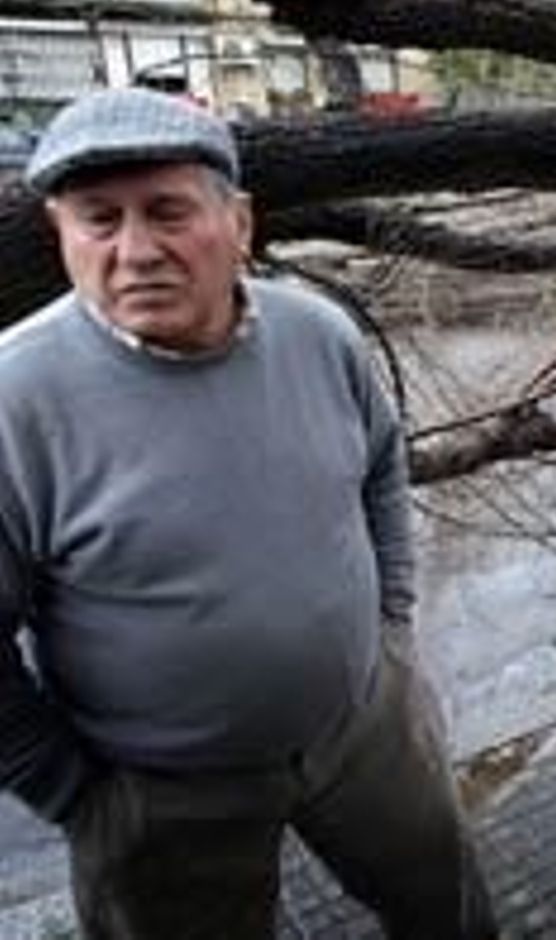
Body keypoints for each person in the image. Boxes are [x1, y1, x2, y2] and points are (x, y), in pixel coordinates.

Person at [0, 87, 498, 939]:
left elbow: (382, 468)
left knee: (447, 908)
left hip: (367, 730)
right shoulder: (15, 397)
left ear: (240, 222)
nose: (136, 250)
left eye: (167, 211)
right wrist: (78, 795)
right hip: (163, 794)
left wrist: (391, 629)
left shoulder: (320, 335)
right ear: (61, 233)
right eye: (99, 220)